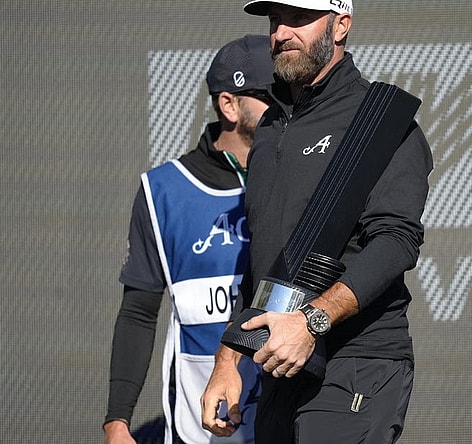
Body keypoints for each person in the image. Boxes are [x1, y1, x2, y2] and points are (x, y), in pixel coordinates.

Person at [200, 2, 433, 443]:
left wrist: (312, 322)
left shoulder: (383, 120)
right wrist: (228, 360)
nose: (282, 33)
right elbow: (268, 259)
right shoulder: (268, 126)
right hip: (280, 364)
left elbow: (396, 241)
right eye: (274, 21)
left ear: (341, 25)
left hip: (358, 361)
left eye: (299, 19)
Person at [104, 34, 275, 444]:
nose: (284, 106)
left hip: (286, 417)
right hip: (201, 426)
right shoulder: (162, 191)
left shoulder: (299, 181)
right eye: (270, 95)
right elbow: (139, 312)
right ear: (229, 104)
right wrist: (117, 421)